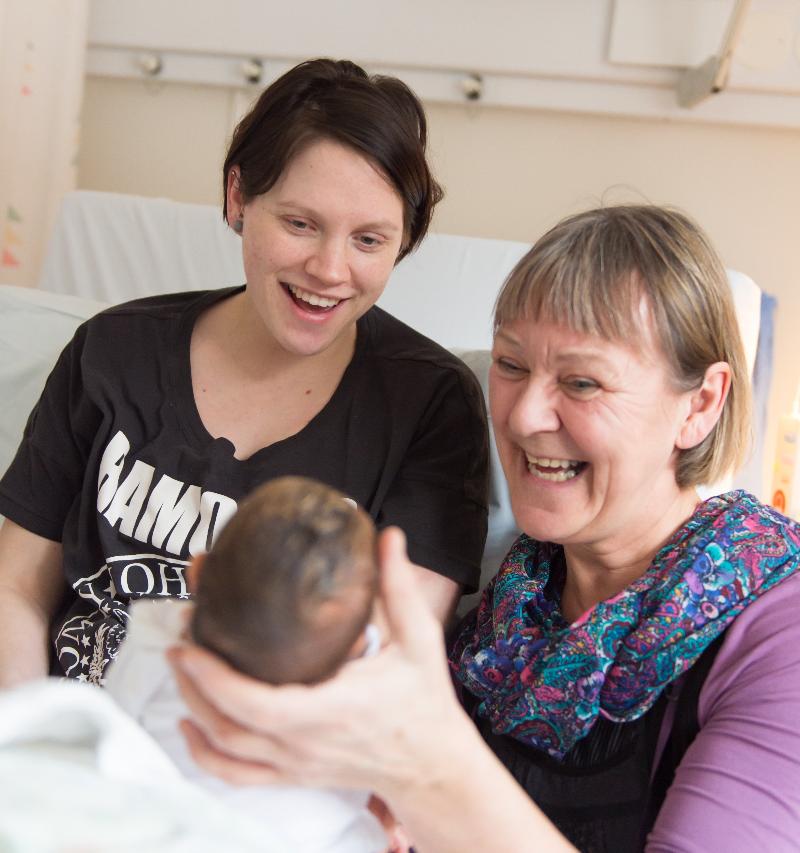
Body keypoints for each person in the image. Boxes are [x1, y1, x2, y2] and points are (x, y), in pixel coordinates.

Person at [168, 205, 800, 852]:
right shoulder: (513, 602)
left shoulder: (780, 630)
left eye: (582, 382)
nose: (525, 417)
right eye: (511, 364)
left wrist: (425, 770)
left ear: (700, 404)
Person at [0, 58, 489, 686]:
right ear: (239, 196)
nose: (330, 270)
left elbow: (392, 660)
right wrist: (29, 745)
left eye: (368, 240)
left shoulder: (429, 404)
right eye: (300, 224)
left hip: (265, 760)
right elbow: (16, 588)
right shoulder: (114, 352)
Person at [106, 476, 396, 853]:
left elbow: (112, 722)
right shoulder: (361, 699)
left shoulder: (155, 645)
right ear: (356, 646)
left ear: (196, 572)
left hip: (157, 829)